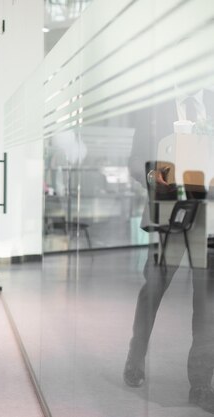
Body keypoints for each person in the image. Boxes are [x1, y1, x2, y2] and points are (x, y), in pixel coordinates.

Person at [124, 87, 214, 413]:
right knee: (154, 289)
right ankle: (136, 356)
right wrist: (153, 174)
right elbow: (134, 161)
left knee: (207, 304)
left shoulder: (212, 102)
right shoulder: (156, 105)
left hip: (208, 217)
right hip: (168, 217)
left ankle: (202, 383)